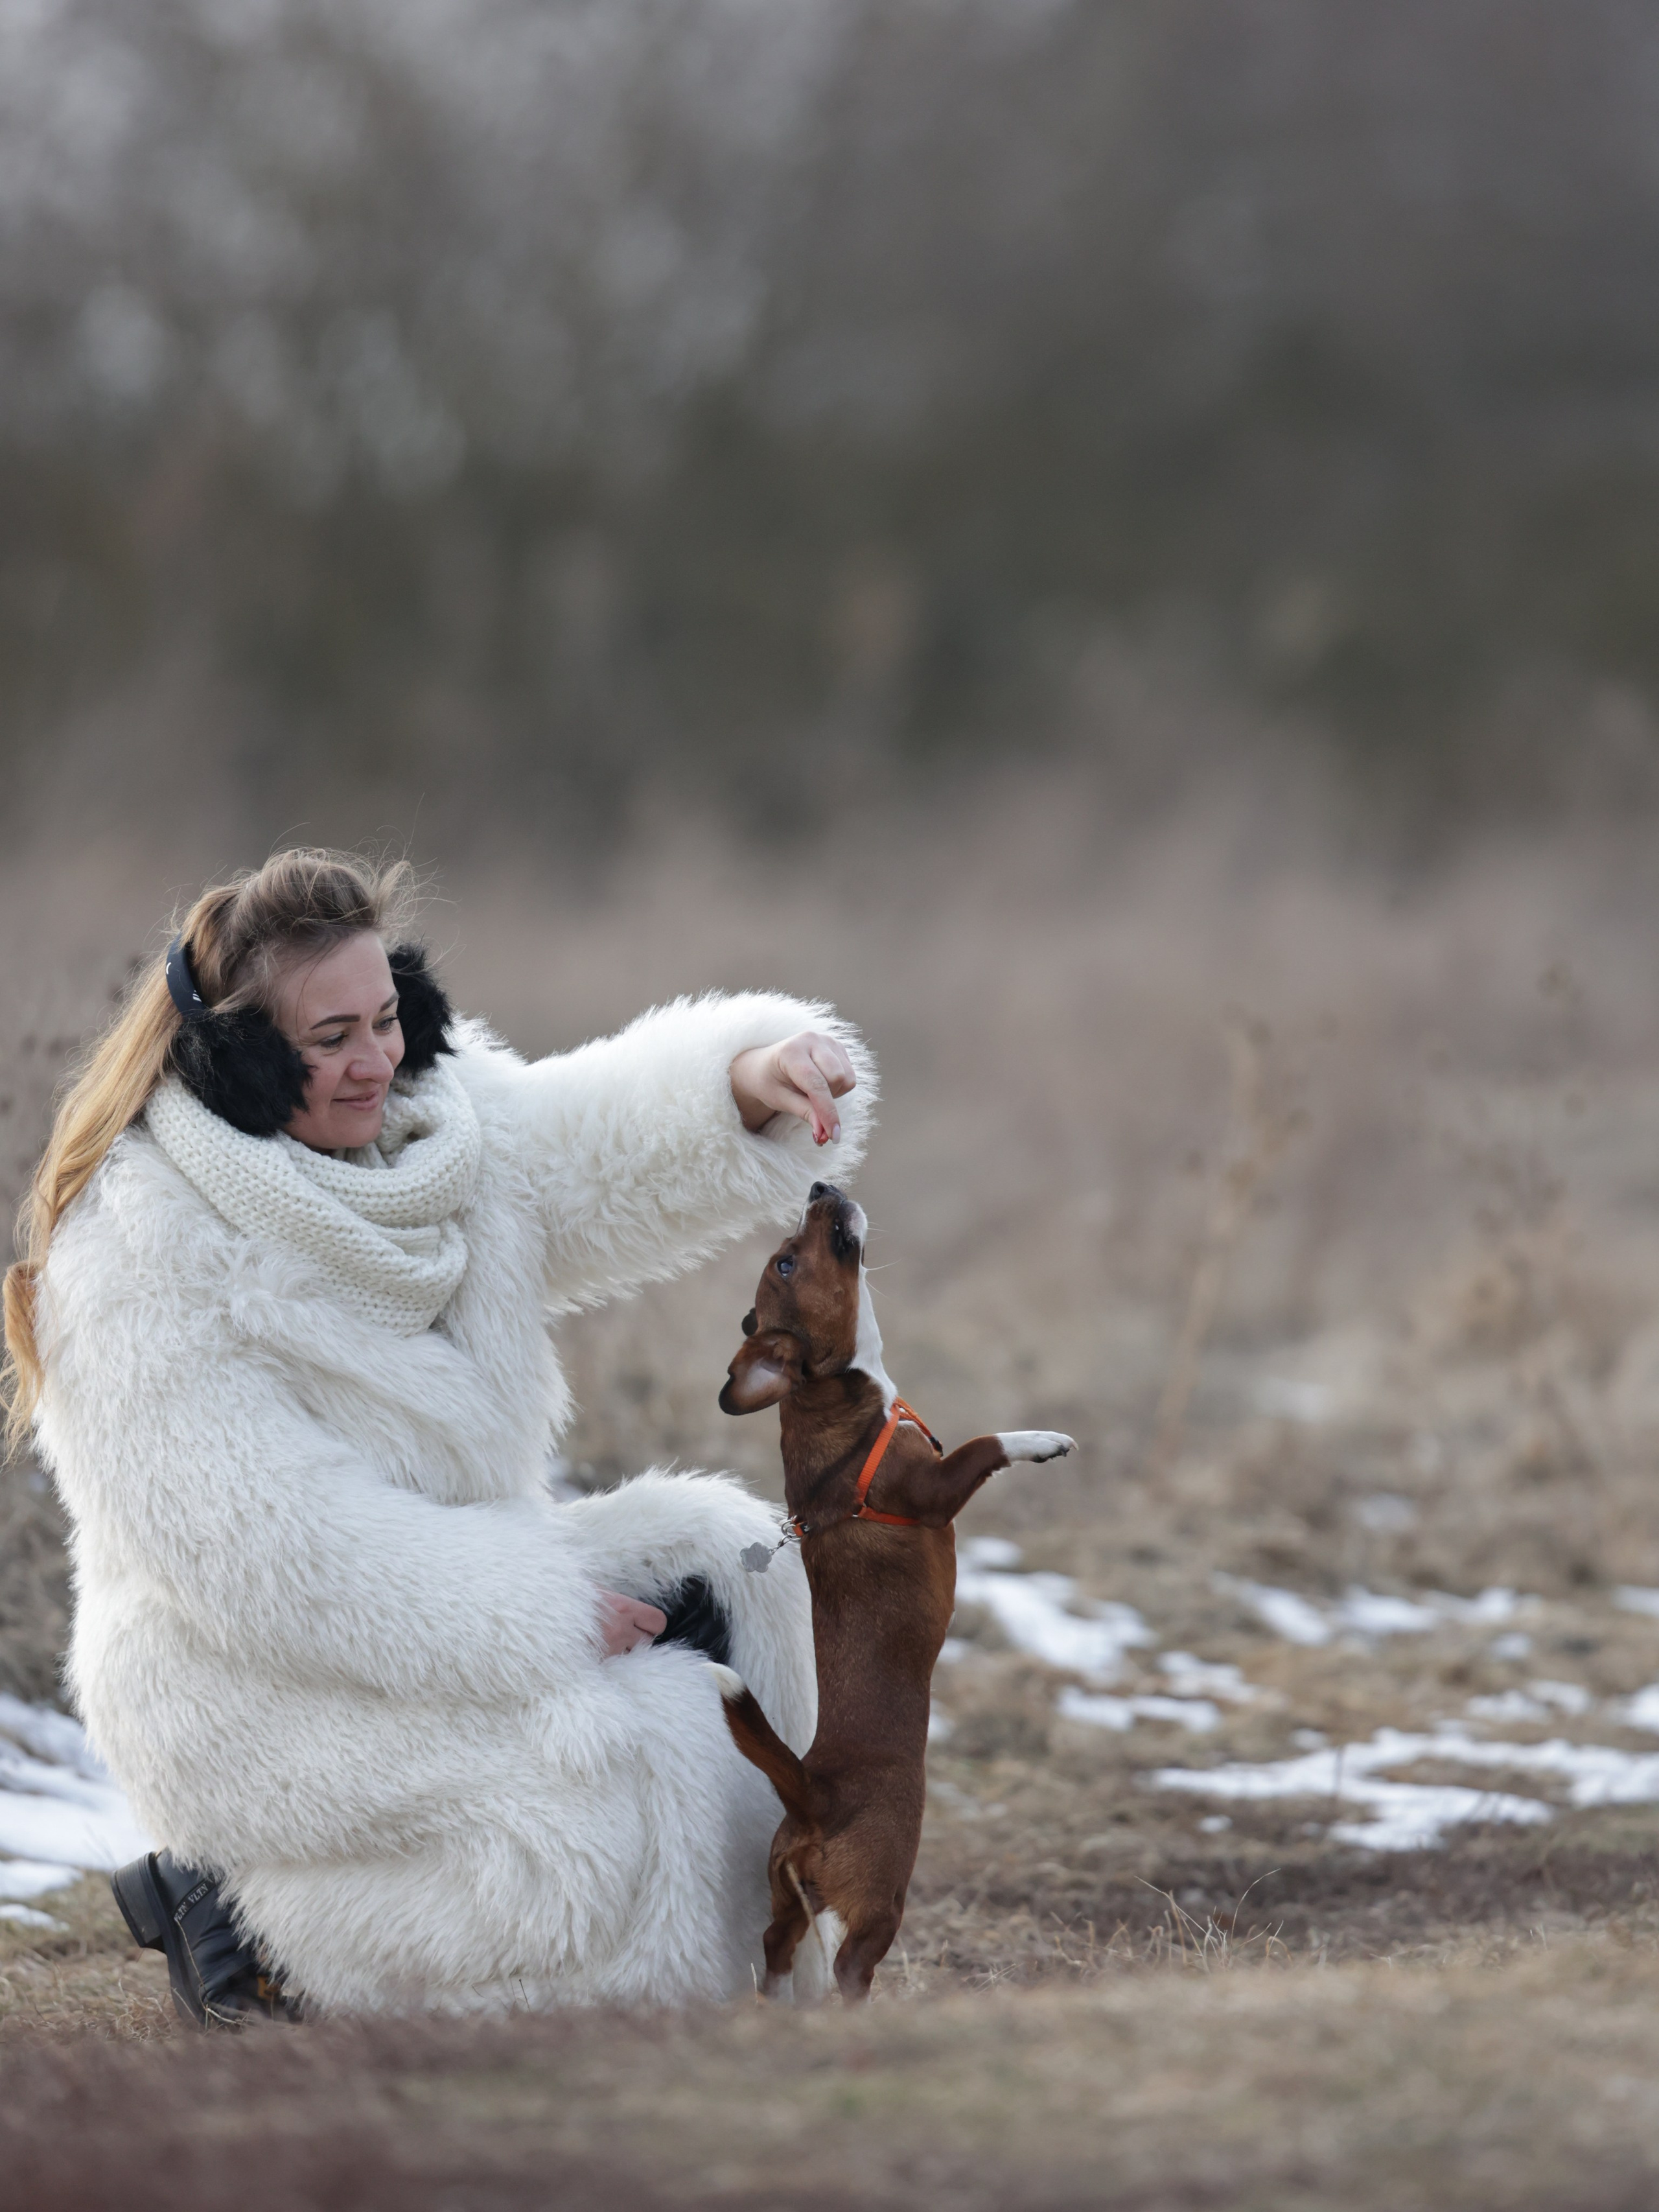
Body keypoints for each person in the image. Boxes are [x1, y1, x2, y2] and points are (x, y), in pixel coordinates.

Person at [1, 849, 874, 2021]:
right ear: (239, 1054)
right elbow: (274, 1551)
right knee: (620, 1793)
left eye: (388, 1017)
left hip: (454, 1595)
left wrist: (747, 1080)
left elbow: (591, 1144)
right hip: (253, 1687)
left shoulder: (437, 1136)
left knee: (740, 1570)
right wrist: (543, 1614)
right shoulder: (136, 1253)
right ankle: (265, 1933)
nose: (378, 1061)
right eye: (332, 1039)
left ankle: (772, 1978)